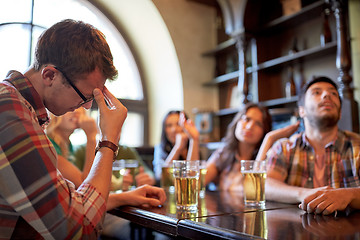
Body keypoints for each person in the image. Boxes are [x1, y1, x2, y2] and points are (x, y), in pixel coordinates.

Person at [0, 19, 165, 239]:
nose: (87, 106)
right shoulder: (11, 112)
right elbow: (78, 230)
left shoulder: (20, 108)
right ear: (50, 75)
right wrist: (108, 140)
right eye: (86, 96)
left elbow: (64, 203)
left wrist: (123, 197)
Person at [265, 76, 360, 215]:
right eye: (316, 92)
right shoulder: (284, 148)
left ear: (339, 113)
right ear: (301, 111)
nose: (327, 95)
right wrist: (304, 194)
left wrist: (349, 195)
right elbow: (266, 186)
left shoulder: (357, 146)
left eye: (333, 93)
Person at [205, 103, 272, 191]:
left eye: (258, 124)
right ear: (237, 122)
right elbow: (198, 183)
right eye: (247, 119)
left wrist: (269, 139)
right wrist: (194, 139)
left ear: (265, 131)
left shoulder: (268, 158)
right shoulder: (223, 153)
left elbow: (254, 189)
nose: (249, 127)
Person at [153, 110, 200, 180]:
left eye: (178, 124)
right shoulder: (160, 148)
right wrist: (177, 148)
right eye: (169, 125)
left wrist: (193, 140)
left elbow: (193, 176)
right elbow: (160, 176)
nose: (174, 129)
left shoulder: (193, 145)